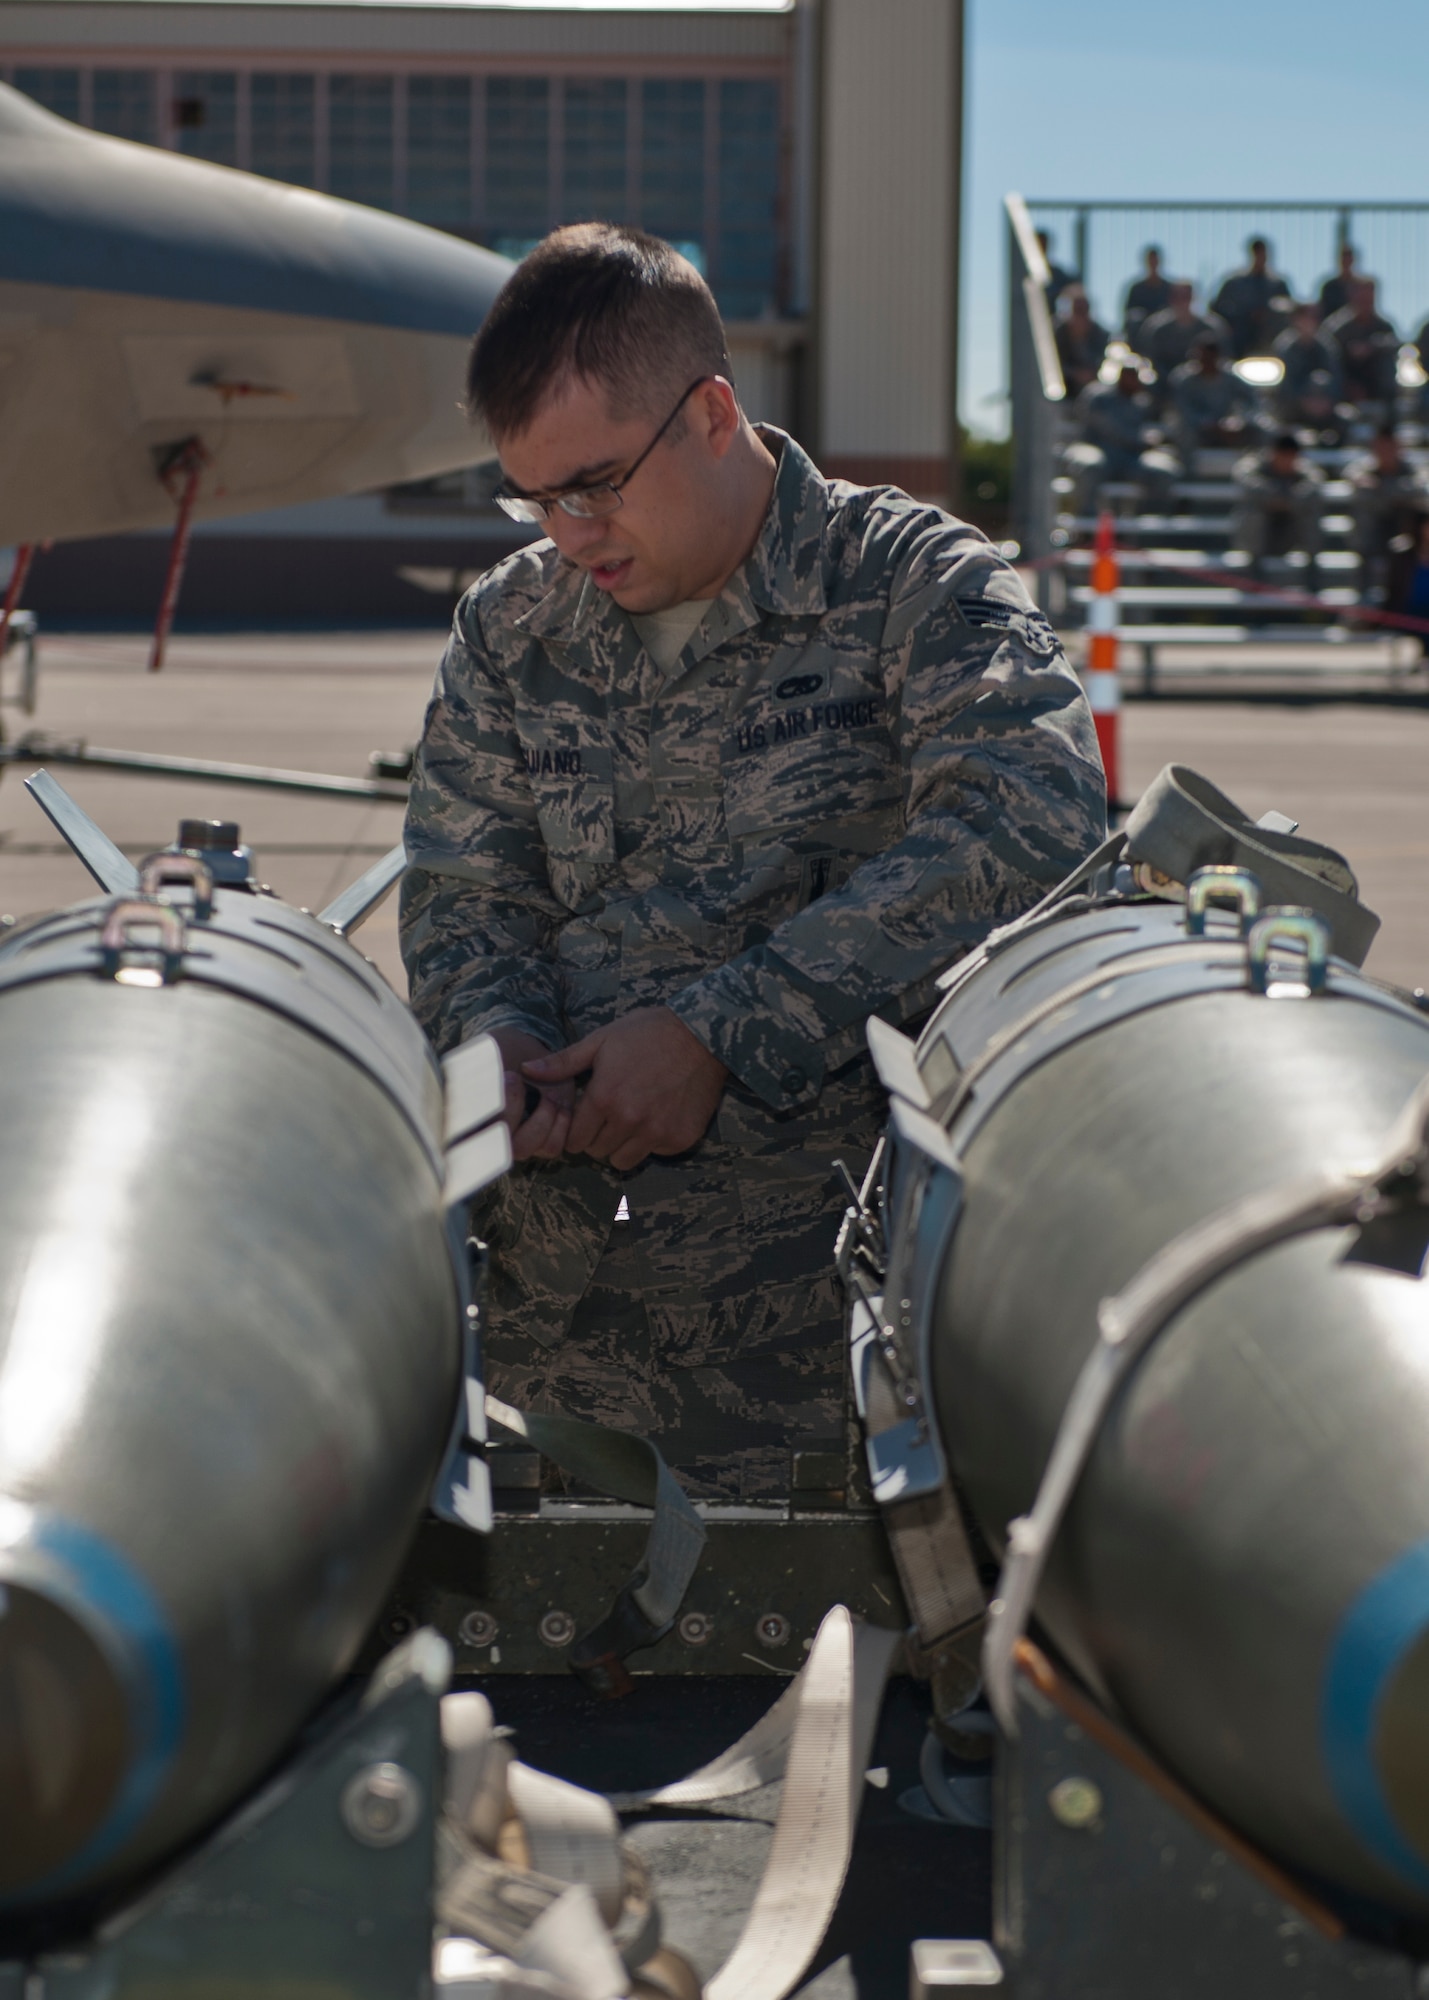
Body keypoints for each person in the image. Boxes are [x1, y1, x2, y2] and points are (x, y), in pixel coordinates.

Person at [399, 224, 1106, 1498]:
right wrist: (494, 1036)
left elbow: (1029, 818)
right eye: (534, 496)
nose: (569, 532)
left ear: (711, 415)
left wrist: (722, 1029)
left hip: (839, 1352)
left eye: (596, 482)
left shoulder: (910, 584)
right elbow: (465, 883)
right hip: (546, 1350)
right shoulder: (511, 627)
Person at [1065, 362, 1178, 512]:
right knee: (1090, 465)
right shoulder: (1098, 395)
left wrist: (1155, 439)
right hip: (1096, 447)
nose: (1139, 383)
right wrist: (1143, 440)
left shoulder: (1141, 401)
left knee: (1163, 471)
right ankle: (1086, 528)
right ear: (1124, 375)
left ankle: (1146, 529)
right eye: (1135, 377)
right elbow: (1109, 428)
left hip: (1130, 457)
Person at [1343, 428, 1429, 599]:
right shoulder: (1363, 469)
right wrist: (1392, 494)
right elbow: (1356, 481)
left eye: (1390, 447)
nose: (1385, 452)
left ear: (1398, 448)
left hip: (1407, 533)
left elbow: (1418, 488)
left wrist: (1381, 488)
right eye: (1380, 447)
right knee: (1364, 525)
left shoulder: (1412, 470)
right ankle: (1364, 598)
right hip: (1374, 534)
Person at [1231, 433, 1326, 576]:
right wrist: (1273, 496)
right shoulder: (1255, 464)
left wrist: (1291, 499)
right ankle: (1254, 565)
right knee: (1253, 512)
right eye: (1283, 455)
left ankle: (1312, 567)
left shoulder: (1303, 468)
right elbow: (1246, 480)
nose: (1286, 461)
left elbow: (1314, 483)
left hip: (1290, 531)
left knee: (1311, 512)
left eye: (1291, 456)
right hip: (1261, 534)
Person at [1170, 337, 1261, 459]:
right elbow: (1183, 410)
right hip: (1199, 428)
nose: (1205, 362)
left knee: (1262, 429)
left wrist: (1238, 420)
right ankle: (1187, 470)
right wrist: (1207, 423)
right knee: (1184, 433)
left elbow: (1252, 401)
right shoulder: (1185, 381)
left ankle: (1254, 463)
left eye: (1209, 358)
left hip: (1229, 427)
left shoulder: (1231, 378)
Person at [1139, 282, 1231, 398]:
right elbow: (1150, 359)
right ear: (1170, 298)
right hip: (1164, 383)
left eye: (1185, 296)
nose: (1181, 301)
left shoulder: (1212, 327)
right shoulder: (1157, 328)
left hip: (1202, 382)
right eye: (1177, 296)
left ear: (1193, 297)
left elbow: (1224, 359)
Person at [1322, 280, 1399, 413]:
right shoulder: (1337, 327)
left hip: (1376, 387)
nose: (1365, 303)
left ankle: (1388, 412)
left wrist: (1372, 347)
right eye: (1361, 298)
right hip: (1346, 385)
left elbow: (1394, 345)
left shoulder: (1384, 326)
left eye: (1369, 298)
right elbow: (1329, 359)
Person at [1210, 237, 1294, 358]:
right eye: (1257, 253)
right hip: (1240, 339)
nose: (1260, 257)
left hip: (1270, 339)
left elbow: (1289, 309)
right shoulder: (1234, 282)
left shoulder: (1278, 284)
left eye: (1263, 253)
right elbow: (1217, 308)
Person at [1272, 304, 1343, 434]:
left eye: (1314, 317)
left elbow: (1335, 377)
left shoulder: (1327, 346)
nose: (1309, 322)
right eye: (1305, 317)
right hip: (1292, 407)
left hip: (1325, 407)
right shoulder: (1285, 347)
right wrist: (1303, 401)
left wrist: (1325, 400)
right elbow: (1283, 383)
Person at [1053, 287, 1109, 398]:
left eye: (1085, 310)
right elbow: (1054, 364)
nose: (1081, 315)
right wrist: (1075, 374)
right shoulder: (1058, 333)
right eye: (1077, 310)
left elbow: (1103, 362)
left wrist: (1091, 372)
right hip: (1064, 388)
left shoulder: (1101, 334)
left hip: (1095, 388)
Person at [1123, 245, 1172, 350]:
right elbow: (1128, 312)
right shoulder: (1136, 288)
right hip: (1142, 328)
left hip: (1164, 327)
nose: (1153, 263)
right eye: (1150, 260)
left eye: (1155, 260)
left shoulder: (1168, 287)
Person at [1317, 243, 1366, 324]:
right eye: (1344, 258)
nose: (1346, 261)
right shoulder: (1329, 287)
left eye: (1348, 258)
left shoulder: (1361, 287)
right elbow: (1322, 312)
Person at [1036, 229, 1077, 308]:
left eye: (1044, 244)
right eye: (1039, 245)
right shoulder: (1021, 272)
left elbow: (1072, 287)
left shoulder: (1056, 273)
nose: (1041, 248)